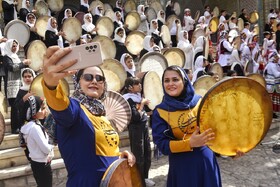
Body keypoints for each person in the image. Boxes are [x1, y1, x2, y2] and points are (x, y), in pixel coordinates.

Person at [41, 46, 135, 186]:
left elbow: (101, 154)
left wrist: (120, 158)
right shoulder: (74, 109)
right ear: (78, 82)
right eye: (88, 77)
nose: (94, 81)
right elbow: (60, 105)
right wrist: (51, 85)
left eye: (99, 78)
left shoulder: (102, 115)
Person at [151, 65, 222, 187]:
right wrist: (189, 143)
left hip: (206, 162)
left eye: (175, 79)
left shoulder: (200, 101)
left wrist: (231, 149)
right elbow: (162, 145)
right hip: (182, 167)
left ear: (184, 81)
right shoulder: (160, 111)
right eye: (166, 80)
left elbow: (216, 129)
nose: (170, 84)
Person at [122, 77, 155, 187]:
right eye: (137, 84)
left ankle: (144, 178)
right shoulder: (128, 99)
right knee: (139, 156)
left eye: (140, 83)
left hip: (144, 128)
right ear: (130, 88)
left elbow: (145, 113)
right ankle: (139, 181)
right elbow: (135, 117)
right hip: (136, 130)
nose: (140, 85)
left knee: (147, 154)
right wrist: (142, 104)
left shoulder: (138, 97)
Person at [20, 95, 54, 187]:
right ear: (34, 112)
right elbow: (46, 149)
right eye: (42, 109)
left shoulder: (32, 125)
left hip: (37, 163)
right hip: (42, 165)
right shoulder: (34, 128)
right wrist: (53, 141)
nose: (45, 110)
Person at [2, 40, 31, 129]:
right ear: (8, 46)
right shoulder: (6, 57)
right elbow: (12, 67)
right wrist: (23, 64)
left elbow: (20, 68)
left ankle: (21, 126)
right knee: (14, 108)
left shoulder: (16, 57)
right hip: (11, 86)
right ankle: (15, 128)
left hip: (19, 84)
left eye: (15, 46)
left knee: (20, 106)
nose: (14, 48)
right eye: (13, 46)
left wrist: (26, 65)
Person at [12, 68, 36, 134]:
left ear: (33, 77)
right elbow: (17, 106)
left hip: (37, 118)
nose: (27, 78)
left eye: (29, 76)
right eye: (25, 77)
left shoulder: (37, 88)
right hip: (25, 119)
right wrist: (25, 97)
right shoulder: (21, 90)